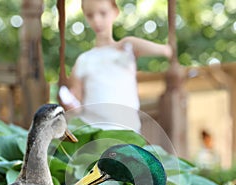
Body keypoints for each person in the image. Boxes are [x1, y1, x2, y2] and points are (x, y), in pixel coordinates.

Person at [60, 0, 172, 132]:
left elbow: (165, 51)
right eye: (90, 15)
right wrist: (70, 104)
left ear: (115, 12)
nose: (97, 20)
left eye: (103, 13)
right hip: (95, 134)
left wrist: (128, 43)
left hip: (128, 131)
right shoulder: (83, 60)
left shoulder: (127, 49)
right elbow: (77, 104)